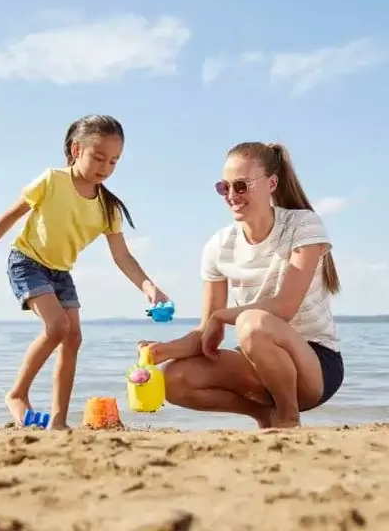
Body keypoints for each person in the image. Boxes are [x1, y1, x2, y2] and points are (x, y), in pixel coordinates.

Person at [0, 114, 170, 430]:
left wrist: (148, 287)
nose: (105, 167)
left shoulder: (108, 206)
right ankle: (17, 394)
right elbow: (11, 215)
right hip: (27, 262)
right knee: (57, 326)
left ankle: (59, 421)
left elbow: (122, 256)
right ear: (76, 149)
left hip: (60, 273)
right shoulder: (52, 180)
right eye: (98, 157)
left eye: (114, 161)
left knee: (73, 337)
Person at [138, 142, 344, 429]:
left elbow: (284, 307)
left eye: (242, 186)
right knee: (173, 379)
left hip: (316, 366)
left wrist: (223, 316)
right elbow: (206, 333)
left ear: (271, 183)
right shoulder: (218, 246)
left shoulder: (303, 225)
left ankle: (287, 417)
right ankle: (263, 416)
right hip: (259, 360)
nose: (232, 196)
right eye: (225, 188)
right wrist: (164, 351)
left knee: (252, 323)